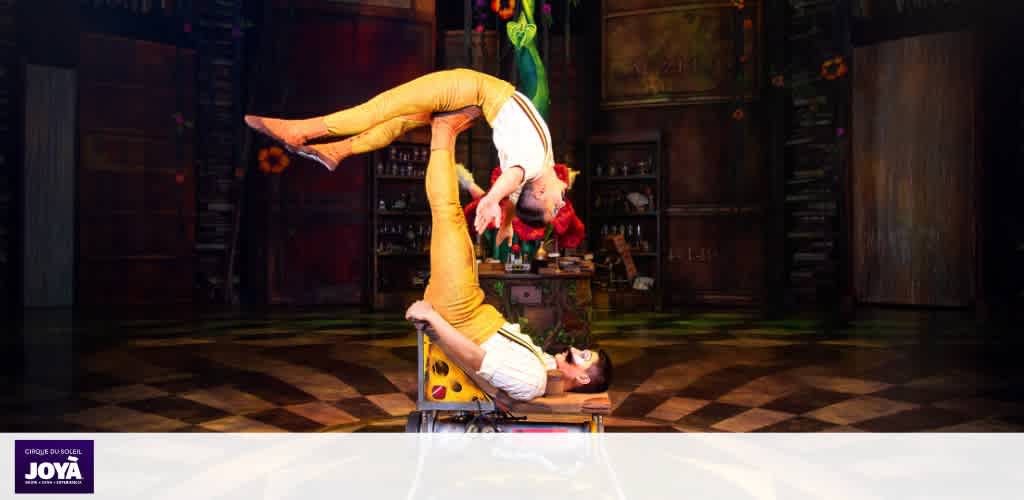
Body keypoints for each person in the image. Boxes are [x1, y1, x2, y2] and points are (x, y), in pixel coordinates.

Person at [401, 107, 611, 402]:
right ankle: (445, 132)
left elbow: (476, 358)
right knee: (453, 218)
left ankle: (443, 131)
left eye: (583, 356)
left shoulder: (533, 380)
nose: (575, 349)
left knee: (447, 214)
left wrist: (431, 319)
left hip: (459, 314)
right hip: (471, 306)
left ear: (582, 377)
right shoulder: (544, 367)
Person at [244, 68, 568, 232]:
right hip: (474, 104)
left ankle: (302, 130)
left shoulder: (532, 162)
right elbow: (521, 192)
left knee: (382, 108)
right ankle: (338, 151)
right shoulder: (543, 164)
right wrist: (504, 207)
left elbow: (514, 178)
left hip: (470, 91)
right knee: (397, 122)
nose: (563, 203)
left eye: (555, 207)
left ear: (538, 193)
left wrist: (493, 200)